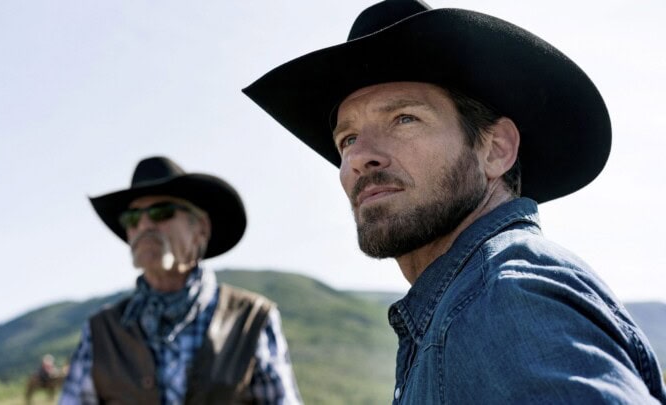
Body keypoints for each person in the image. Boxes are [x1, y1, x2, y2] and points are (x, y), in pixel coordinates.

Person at [243, 0, 666, 403]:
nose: (358, 157)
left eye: (404, 118)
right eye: (348, 139)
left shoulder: (504, 300)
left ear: (495, 150)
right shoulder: (467, 305)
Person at [60, 156, 301, 404]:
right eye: (132, 218)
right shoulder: (100, 331)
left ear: (201, 228)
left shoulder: (251, 320)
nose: (144, 225)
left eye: (161, 212)